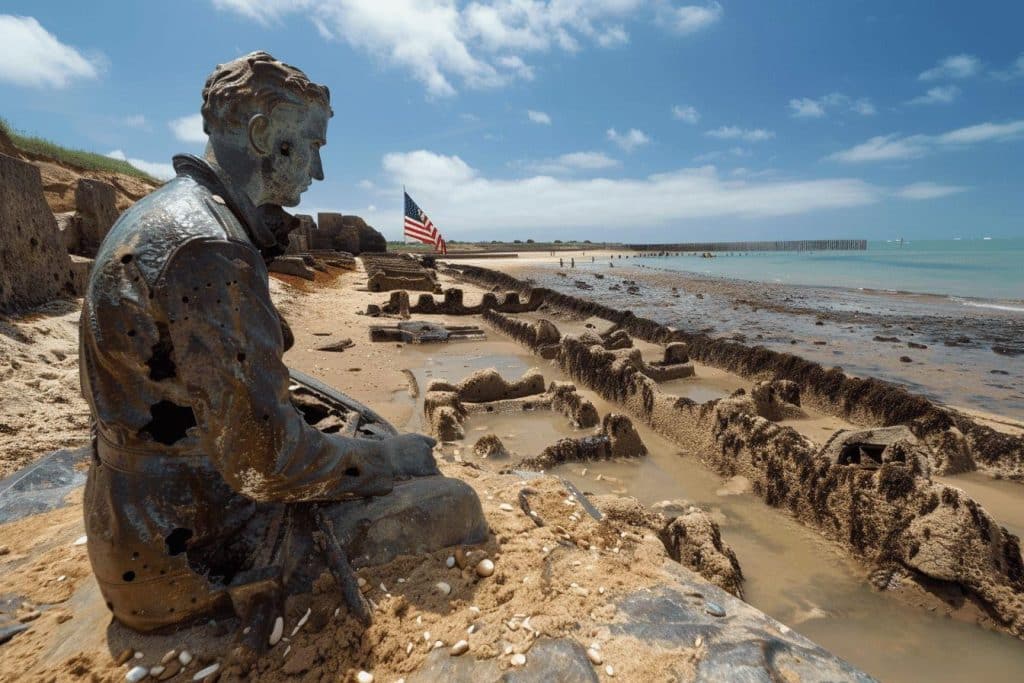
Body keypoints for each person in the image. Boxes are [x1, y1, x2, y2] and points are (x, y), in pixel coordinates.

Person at [79, 52, 485, 646]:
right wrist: (391, 461)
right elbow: (263, 463)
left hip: (139, 519)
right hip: (197, 548)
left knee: (373, 440)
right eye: (313, 145)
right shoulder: (209, 247)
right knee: (454, 503)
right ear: (264, 133)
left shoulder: (166, 214)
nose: (318, 172)